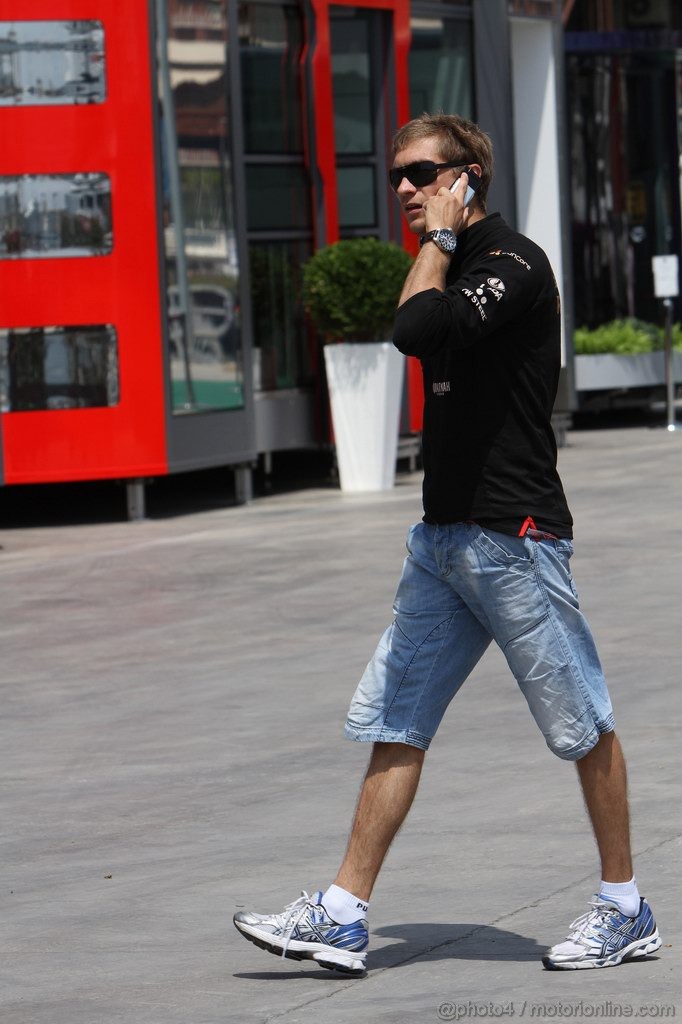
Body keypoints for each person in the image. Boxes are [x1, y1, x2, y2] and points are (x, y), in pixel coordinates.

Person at [233, 113, 661, 974]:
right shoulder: (450, 260)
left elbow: (416, 333)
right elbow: (418, 321)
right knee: (397, 719)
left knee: (581, 723)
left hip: (516, 535)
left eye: (422, 173)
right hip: (442, 541)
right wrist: (436, 240)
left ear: (467, 177)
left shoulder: (513, 263)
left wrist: (438, 236)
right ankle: (345, 912)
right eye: (398, 175)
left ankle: (626, 907)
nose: (403, 188)